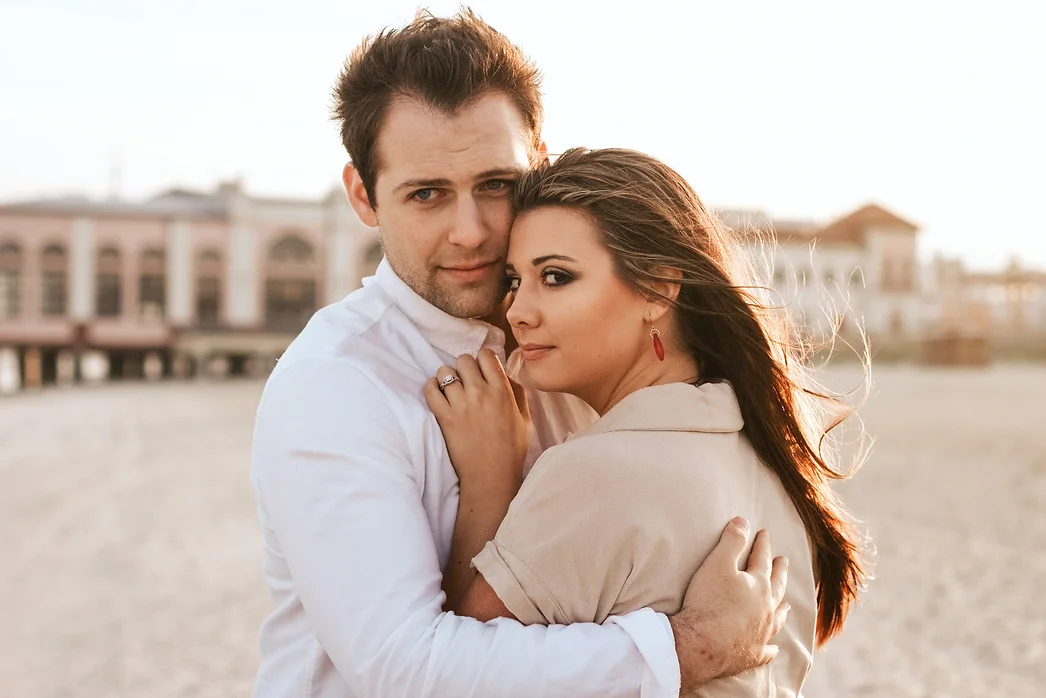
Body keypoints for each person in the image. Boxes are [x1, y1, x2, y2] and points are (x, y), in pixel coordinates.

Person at [250, 10, 789, 698]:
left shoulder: (568, 346)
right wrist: (690, 646)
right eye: (427, 195)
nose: (471, 232)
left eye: (496, 185)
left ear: (537, 162)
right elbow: (403, 669)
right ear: (364, 196)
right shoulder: (335, 386)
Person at [424, 147, 869, 697]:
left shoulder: (599, 471)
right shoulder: (768, 456)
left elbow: (449, 676)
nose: (517, 311)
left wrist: (490, 478)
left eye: (557, 277)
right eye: (515, 280)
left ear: (658, 289)